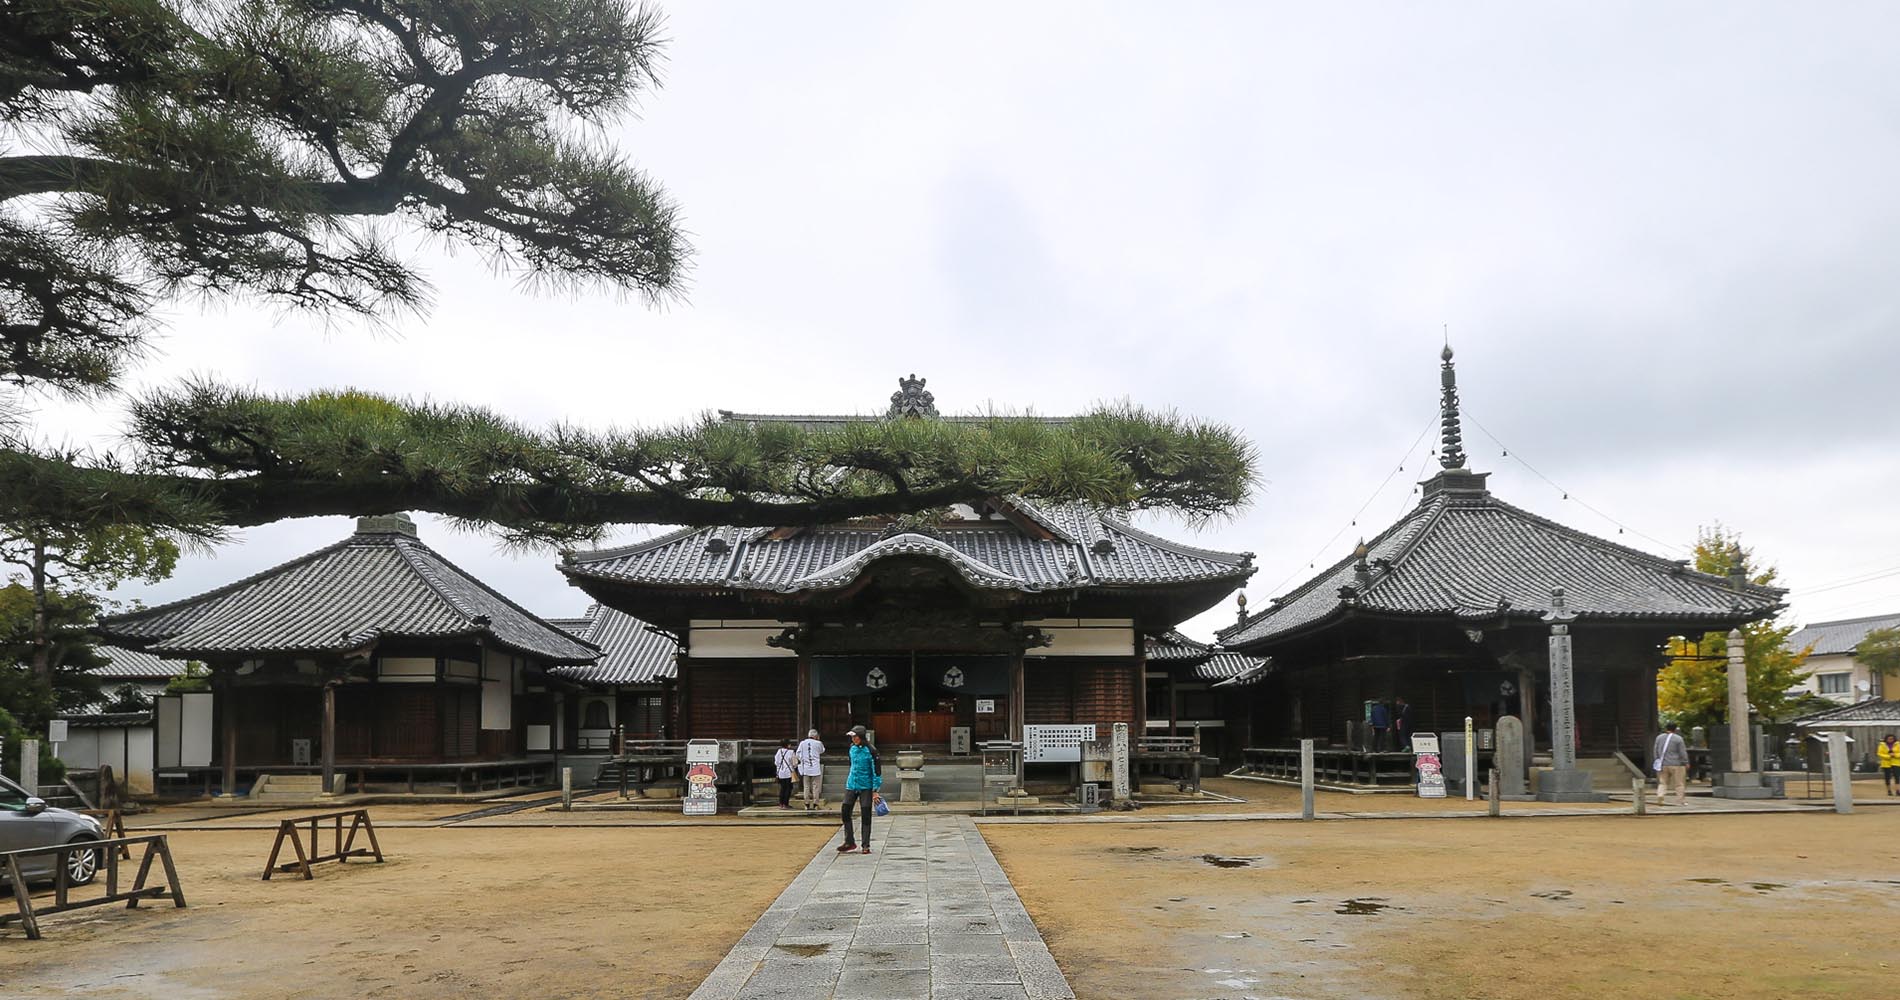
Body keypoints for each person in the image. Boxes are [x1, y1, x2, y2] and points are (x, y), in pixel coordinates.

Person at [838, 725, 882, 855]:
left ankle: (865, 844)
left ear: (861, 737)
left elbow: (877, 771)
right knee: (845, 811)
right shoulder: (852, 749)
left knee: (865, 813)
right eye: (852, 737)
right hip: (852, 784)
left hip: (866, 787)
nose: (853, 739)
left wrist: (875, 790)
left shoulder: (871, 751)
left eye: (855, 736)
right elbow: (851, 765)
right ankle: (849, 841)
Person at [1653, 721, 1690, 806]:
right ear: (1675, 729)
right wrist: (1686, 762)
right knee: (1679, 783)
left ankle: (1660, 795)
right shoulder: (1678, 739)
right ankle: (1681, 800)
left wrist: (1657, 761)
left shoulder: (1659, 738)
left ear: (1666, 728)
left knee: (1663, 782)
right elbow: (1682, 752)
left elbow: (1655, 750)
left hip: (1663, 764)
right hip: (1677, 764)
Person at [796, 729, 826, 809]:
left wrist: (802, 759)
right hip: (815, 768)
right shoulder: (818, 743)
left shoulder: (802, 743)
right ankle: (815, 804)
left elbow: (798, 754)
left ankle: (806, 804)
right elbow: (822, 750)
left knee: (806, 787)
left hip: (806, 768)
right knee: (815, 786)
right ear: (816, 736)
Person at [773, 739, 797, 809]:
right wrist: (794, 767)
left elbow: (776, 762)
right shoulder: (791, 752)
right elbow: (795, 763)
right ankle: (786, 804)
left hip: (780, 772)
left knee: (782, 788)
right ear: (788, 744)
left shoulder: (778, 751)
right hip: (789, 773)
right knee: (788, 788)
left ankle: (781, 803)